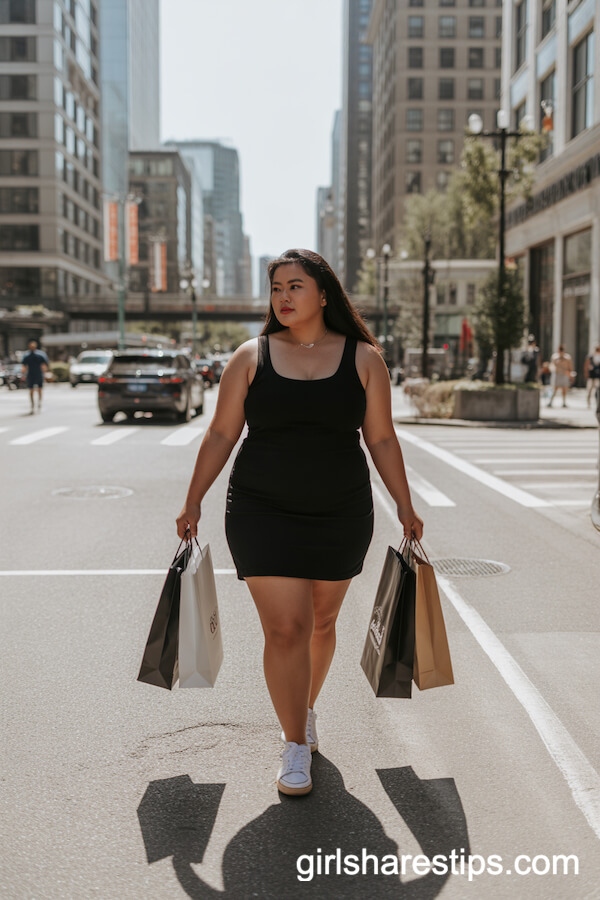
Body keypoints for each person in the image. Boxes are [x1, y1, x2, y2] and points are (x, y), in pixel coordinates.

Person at [176, 248, 423, 796]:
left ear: (323, 294)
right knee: (286, 628)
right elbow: (221, 433)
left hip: (341, 510)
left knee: (322, 622)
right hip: (261, 508)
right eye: (276, 288)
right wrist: (193, 500)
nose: (283, 297)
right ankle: (293, 743)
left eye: (295, 286)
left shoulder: (365, 359)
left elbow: (382, 438)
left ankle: (304, 709)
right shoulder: (251, 356)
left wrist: (405, 505)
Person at [21, 339, 49, 414]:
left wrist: (44, 375)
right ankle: (32, 405)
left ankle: (39, 403)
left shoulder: (40, 355)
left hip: (39, 374)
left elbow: (44, 365)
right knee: (31, 390)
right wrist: (23, 375)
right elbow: (24, 366)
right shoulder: (27, 355)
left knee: (39, 389)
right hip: (30, 375)